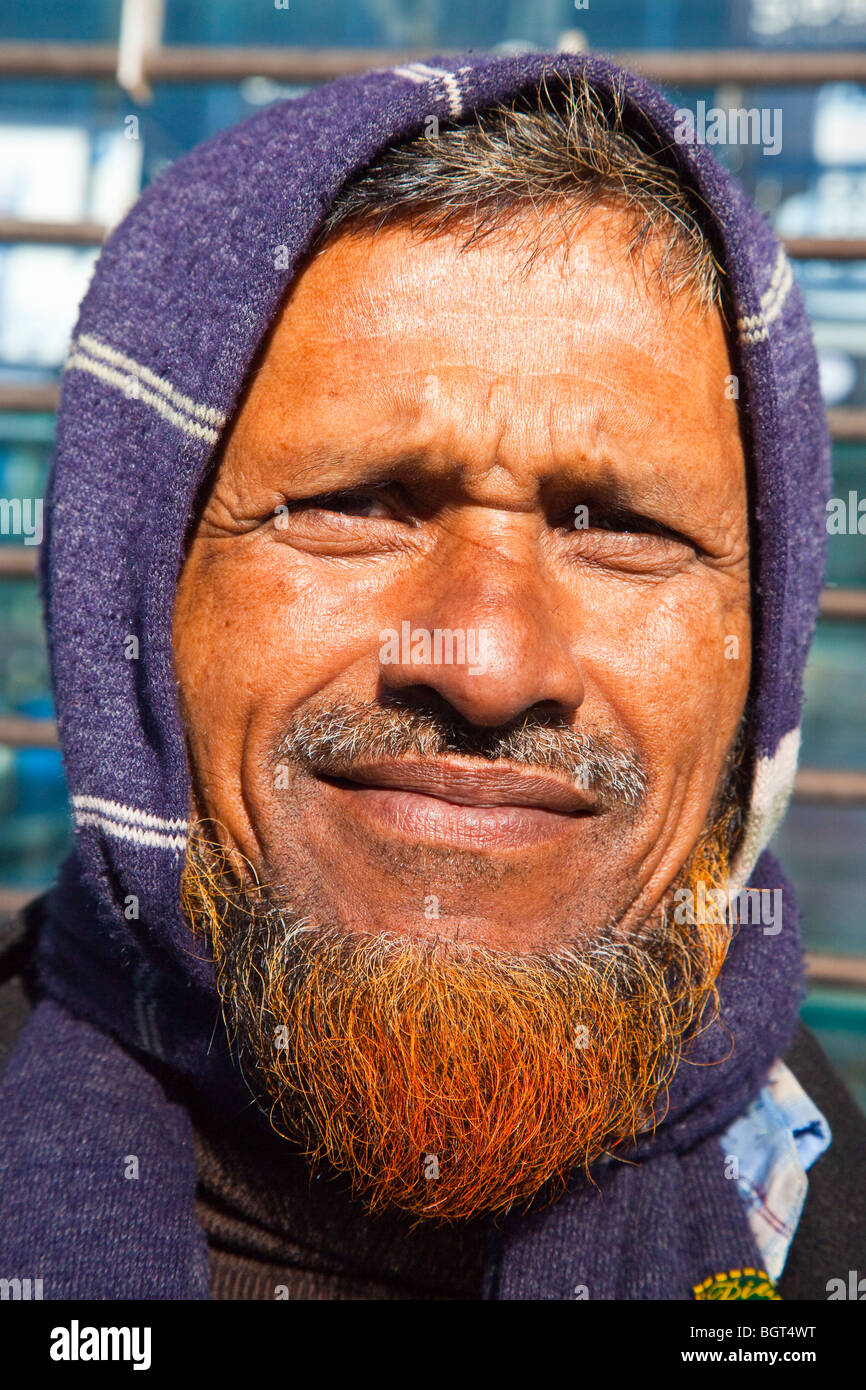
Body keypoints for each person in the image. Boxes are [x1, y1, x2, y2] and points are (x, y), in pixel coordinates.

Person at [1, 51, 863, 1301]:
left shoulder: (813, 1212)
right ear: (135, 588)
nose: (490, 663)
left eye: (617, 524)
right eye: (357, 504)